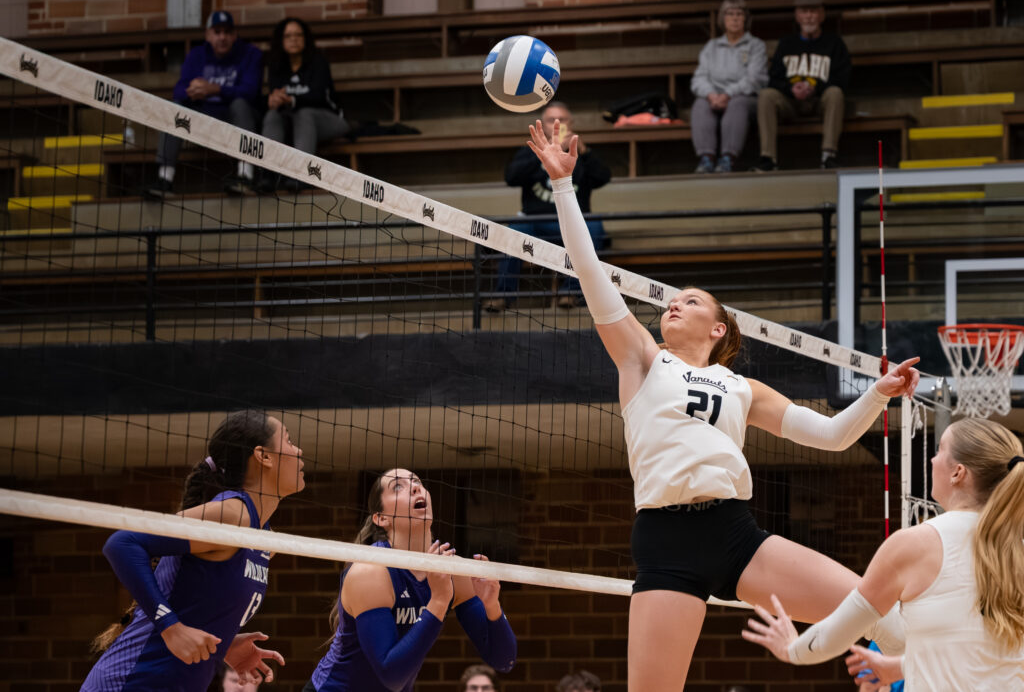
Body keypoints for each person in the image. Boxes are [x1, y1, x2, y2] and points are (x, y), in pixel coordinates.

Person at [524, 118, 919, 691]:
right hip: (666, 539)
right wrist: (564, 185)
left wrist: (877, 394)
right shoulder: (642, 359)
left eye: (690, 301)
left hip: (735, 534)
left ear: (718, 329)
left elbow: (833, 436)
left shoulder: (741, 387)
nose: (673, 306)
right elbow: (588, 272)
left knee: (880, 609)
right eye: (671, 302)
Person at [743, 418, 1024, 690]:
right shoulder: (1016, 550)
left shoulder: (914, 544)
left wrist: (792, 649)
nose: (932, 460)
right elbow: (979, 655)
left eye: (939, 450)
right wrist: (904, 666)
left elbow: (834, 636)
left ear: (958, 473)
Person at [83, 410, 303, 691]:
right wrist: (169, 626)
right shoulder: (233, 514)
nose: (298, 450)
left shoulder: (263, 536)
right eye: (288, 440)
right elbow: (122, 543)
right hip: (129, 682)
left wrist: (224, 644)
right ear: (264, 456)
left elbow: (194, 600)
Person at [306, 468, 517, 691]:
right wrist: (439, 600)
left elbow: (504, 661)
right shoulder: (370, 571)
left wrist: (492, 605)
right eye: (398, 486)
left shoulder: (452, 570)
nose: (415, 487)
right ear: (381, 518)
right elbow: (392, 676)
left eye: (417, 481)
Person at [487, 102, 611, 312]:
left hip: (573, 223)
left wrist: (584, 151)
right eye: (551, 120)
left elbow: (603, 177)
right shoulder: (530, 151)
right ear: (542, 125)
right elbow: (511, 177)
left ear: (571, 124)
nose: (556, 124)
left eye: (562, 120)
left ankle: (571, 293)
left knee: (595, 227)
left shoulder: (579, 151)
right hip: (535, 222)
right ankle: (502, 296)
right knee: (514, 231)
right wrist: (542, 153)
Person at [144, 11, 263, 198]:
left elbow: (251, 92)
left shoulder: (251, 54)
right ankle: (165, 179)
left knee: (240, 104)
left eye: (227, 32)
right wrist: (193, 91)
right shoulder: (197, 55)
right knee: (176, 108)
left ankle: (245, 176)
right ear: (208, 35)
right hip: (204, 119)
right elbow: (179, 90)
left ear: (234, 35)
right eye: (217, 32)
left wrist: (215, 89)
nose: (222, 37)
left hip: (235, 120)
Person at [754, 0, 851, 171]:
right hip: (790, 102)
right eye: (804, 12)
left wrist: (815, 88)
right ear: (797, 16)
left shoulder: (834, 43)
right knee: (766, 95)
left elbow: (842, 79)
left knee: (835, 93)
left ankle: (828, 155)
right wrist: (790, 89)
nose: (809, 16)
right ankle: (768, 158)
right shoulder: (786, 44)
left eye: (813, 12)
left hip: (820, 101)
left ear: (822, 15)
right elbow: (773, 79)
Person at [257, 17, 350, 193]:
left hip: (328, 119)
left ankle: (300, 176)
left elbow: (319, 97)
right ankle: (268, 175)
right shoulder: (276, 65)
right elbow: (274, 95)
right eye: (288, 36)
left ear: (306, 38)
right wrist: (273, 100)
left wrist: (292, 100)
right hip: (292, 123)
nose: (294, 39)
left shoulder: (318, 62)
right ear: (281, 40)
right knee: (272, 115)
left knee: (304, 113)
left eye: (298, 35)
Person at [690, 0, 767, 174]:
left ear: (746, 18)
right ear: (722, 19)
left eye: (739, 14)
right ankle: (707, 158)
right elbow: (699, 78)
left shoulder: (756, 45)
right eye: (730, 14)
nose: (735, 18)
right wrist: (711, 95)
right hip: (715, 97)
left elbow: (754, 78)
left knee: (737, 103)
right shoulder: (711, 47)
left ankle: (727, 158)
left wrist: (728, 94)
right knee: (700, 104)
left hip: (745, 97)